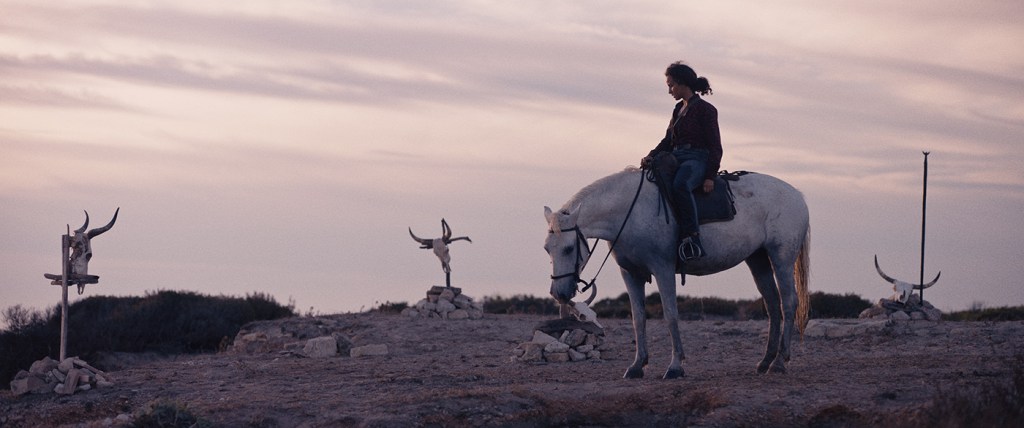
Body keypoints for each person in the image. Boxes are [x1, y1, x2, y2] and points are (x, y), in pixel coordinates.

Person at [641, 61, 723, 265]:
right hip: (677, 157)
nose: (669, 90)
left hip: (698, 159)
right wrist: (651, 155)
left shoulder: (706, 110)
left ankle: (692, 237)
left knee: (680, 184)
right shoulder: (678, 108)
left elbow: (715, 146)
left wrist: (710, 175)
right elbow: (668, 140)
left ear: (682, 83)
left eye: (671, 85)